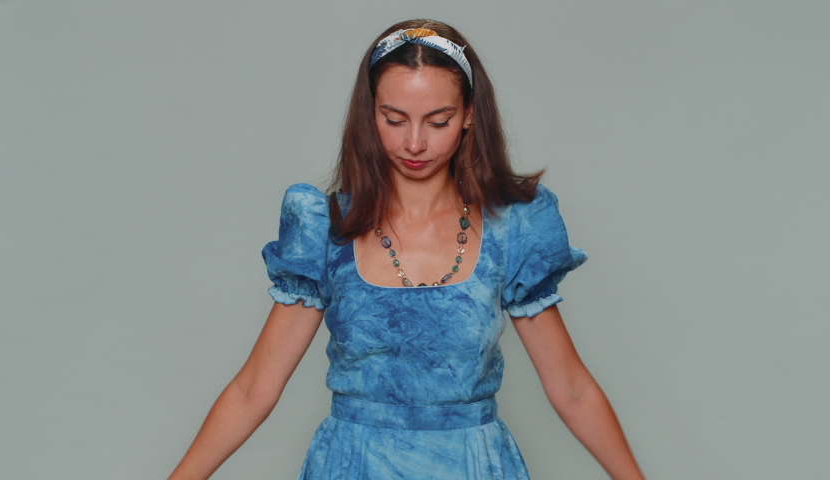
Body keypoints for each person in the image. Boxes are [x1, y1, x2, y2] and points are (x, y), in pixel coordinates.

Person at [168, 19, 644, 480]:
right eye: (393, 119)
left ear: (470, 114)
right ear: (369, 112)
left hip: (470, 464)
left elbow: (572, 388)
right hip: (353, 465)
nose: (414, 143)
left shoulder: (512, 228)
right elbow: (254, 389)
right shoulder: (325, 229)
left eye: (438, 121)